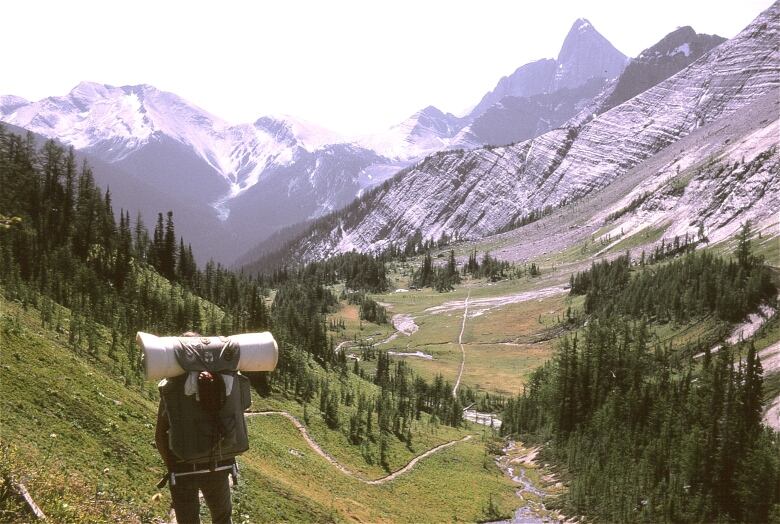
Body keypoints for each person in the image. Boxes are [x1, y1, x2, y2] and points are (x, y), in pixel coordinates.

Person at [155, 332, 234, 524]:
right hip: (217, 464)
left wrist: (172, 465)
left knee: (188, 521)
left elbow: (160, 435)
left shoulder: (172, 389)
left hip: (182, 468)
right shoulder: (221, 381)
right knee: (222, 518)